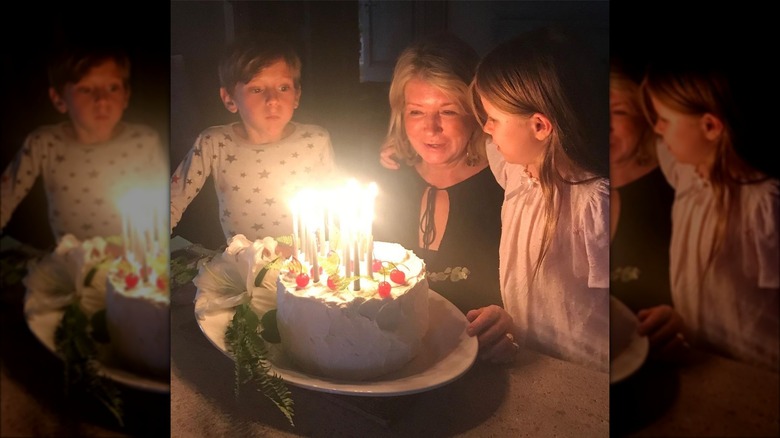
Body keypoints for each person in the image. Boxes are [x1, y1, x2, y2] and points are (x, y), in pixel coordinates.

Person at [465, 26, 610, 372]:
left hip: (591, 383)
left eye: (495, 119)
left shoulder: (595, 206)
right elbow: (479, 143)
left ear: (540, 127)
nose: (486, 128)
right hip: (534, 370)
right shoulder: (517, 171)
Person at [639, 56, 779, 372]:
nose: (657, 130)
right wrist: (681, 323)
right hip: (706, 371)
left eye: (664, 119)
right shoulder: (688, 177)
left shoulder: (765, 207)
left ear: (710, 126)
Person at [373, 33, 504, 318]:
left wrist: (510, 324)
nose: (431, 129)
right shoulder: (389, 180)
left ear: (476, 111)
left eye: (448, 111)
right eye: (417, 112)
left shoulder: (506, 186)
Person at [170, 32, 336, 242]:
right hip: (244, 267)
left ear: (297, 95)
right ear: (229, 98)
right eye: (257, 89)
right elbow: (173, 200)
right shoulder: (214, 143)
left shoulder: (315, 141)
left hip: (305, 264)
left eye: (283, 88)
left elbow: (335, 206)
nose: (273, 99)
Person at [0, 43, 167, 242]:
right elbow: (4, 198)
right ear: (59, 99)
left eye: (112, 87)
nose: (102, 100)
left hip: (132, 260)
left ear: (126, 95)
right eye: (86, 89)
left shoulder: (144, 142)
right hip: (71, 262)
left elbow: (163, 207)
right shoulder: (43, 144)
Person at [608, 61, 687, 362]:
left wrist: (685, 321)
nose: (606, 124)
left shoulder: (676, 189)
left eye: (619, 112)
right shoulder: (576, 186)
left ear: (647, 118)